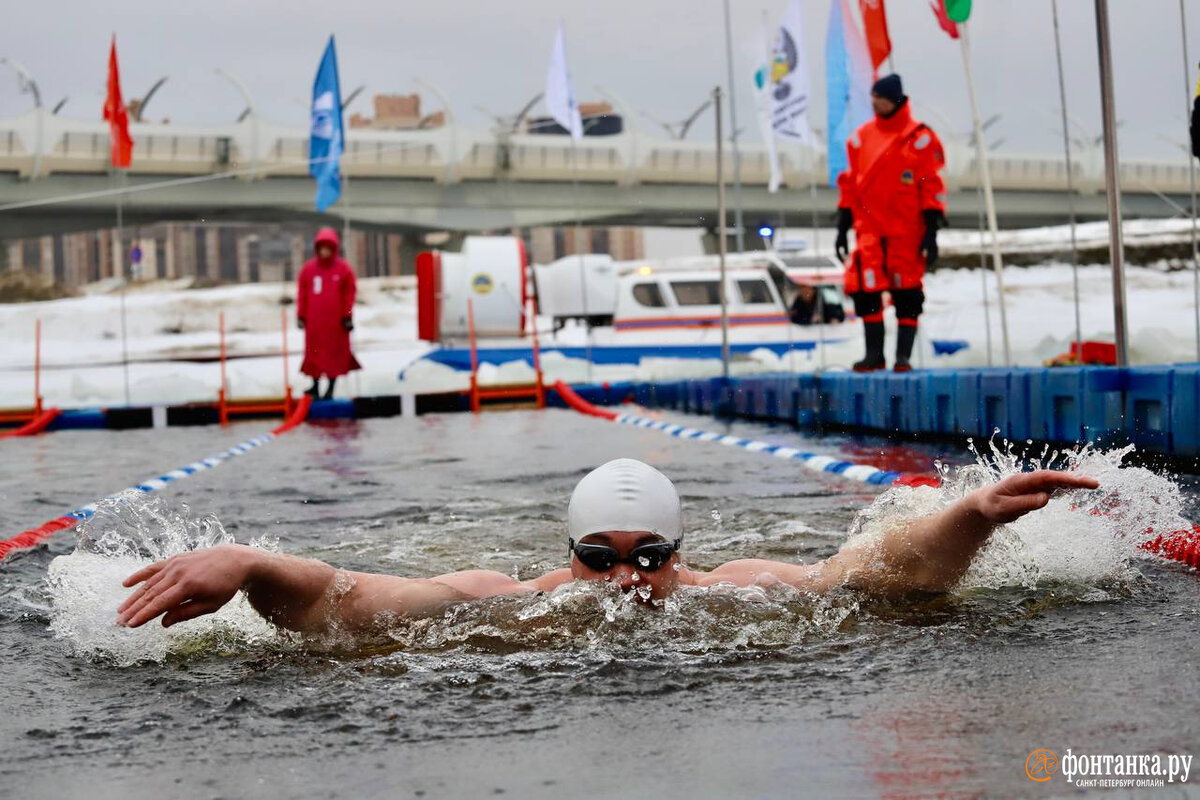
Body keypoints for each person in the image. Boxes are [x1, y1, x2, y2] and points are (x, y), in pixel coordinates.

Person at [116, 458, 1099, 633]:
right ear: (566, 553)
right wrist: (248, 560)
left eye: (647, 554)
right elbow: (355, 601)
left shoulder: (736, 590)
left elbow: (871, 574)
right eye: (598, 557)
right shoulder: (512, 597)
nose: (626, 579)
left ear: (684, 547)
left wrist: (967, 515)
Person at [835, 74, 947, 373]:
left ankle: (903, 357)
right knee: (864, 287)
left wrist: (932, 229)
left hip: (906, 231)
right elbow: (850, 182)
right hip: (870, 231)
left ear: (894, 99)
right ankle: (874, 355)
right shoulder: (860, 139)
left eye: (880, 100)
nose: (875, 105)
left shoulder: (919, 139)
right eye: (872, 100)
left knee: (907, 293)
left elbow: (930, 183)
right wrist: (842, 222)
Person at [296, 228, 361, 400]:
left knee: (335, 355)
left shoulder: (343, 269)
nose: (325, 252)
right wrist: (301, 315)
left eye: (328, 248)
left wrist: (347, 316)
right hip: (315, 324)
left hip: (336, 324)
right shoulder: (308, 270)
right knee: (314, 354)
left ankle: (331, 388)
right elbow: (302, 294)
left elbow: (350, 295)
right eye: (322, 248)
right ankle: (315, 386)